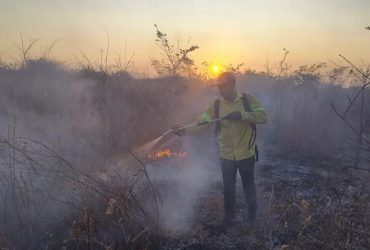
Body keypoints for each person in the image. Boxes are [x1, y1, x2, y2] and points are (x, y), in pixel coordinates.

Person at [172, 72, 268, 227]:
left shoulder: (247, 100)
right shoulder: (216, 105)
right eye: (219, 87)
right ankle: (229, 218)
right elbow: (202, 122)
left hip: (246, 154)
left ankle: (252, 216)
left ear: (233, 84)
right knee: (228, 189)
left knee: (248, 185)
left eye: (224, 87)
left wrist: (242, 115)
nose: (221, 90)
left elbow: (263, 116)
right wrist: (183, 130)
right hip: (227, 155)